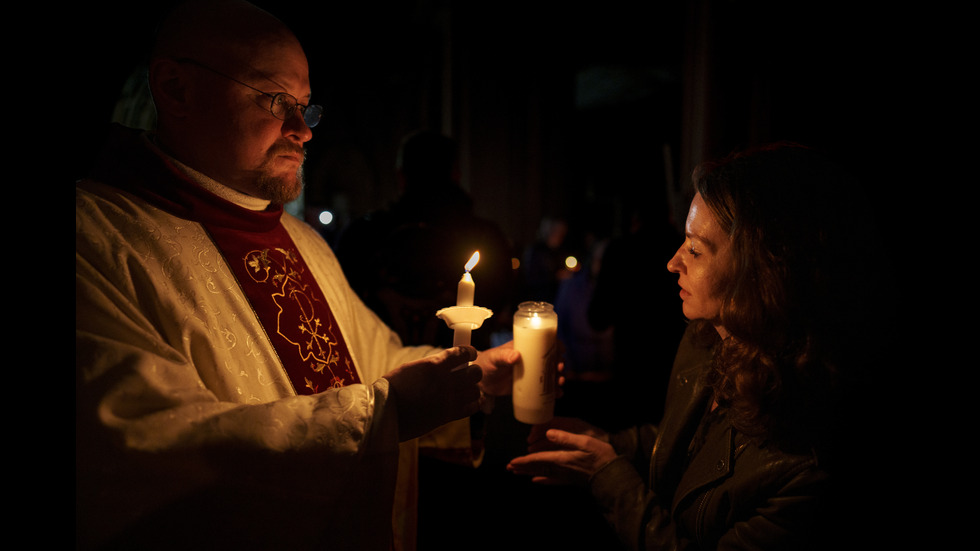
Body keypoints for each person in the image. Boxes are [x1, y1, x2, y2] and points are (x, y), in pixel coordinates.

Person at [75, 2, 519, 550]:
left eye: (306, 108)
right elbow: (144, 447)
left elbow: (372, 363)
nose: (301, 131)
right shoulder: (95, 238)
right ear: (175, 88)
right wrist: (388, 412)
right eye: (275, 100)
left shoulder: (302, 240)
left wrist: (467, 373)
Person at [507, 143, 886, 549]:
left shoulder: (804, 462)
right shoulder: (708, 341)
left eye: (694, 249)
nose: (672, 262)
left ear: (759, 271)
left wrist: (610, 477)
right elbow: (685, 443)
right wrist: (605, 445)